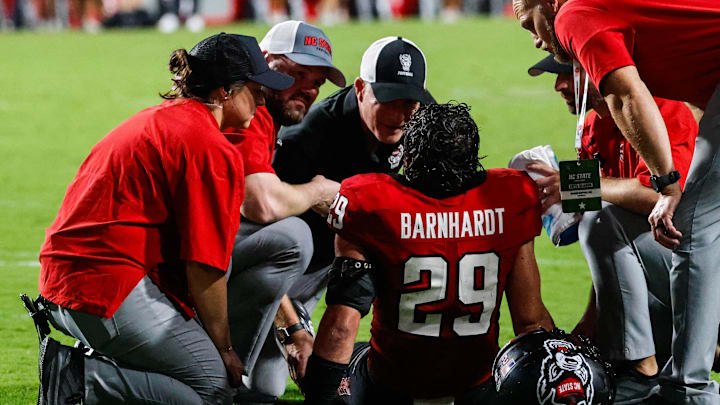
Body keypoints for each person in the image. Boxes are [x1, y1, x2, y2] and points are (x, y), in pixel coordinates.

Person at [34, 33, 293, 405]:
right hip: (103, 290)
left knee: (187, 378)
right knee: (215, 388)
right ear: (224, 91)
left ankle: (96, 369)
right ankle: (81, 382)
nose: (264, 98)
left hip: (69, 283)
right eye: (256, 88)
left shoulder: (161, 119)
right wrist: (223, 346)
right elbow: (204, 266)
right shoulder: (208, 144)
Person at [512, 1, 720, 403]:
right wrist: (583, 340)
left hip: (699, 271)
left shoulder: (650, 102)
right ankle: (643, 366)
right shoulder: (592, 125)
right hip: (677, 272)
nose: (557, 86)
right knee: (604, 224)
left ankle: (685, 389)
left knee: (689, 223)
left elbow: (663, 198)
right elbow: (611, 258)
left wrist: (579, 183)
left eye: (563, 74)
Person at [300, 102, 555, 405]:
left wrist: (319, 395)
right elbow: (529, 321)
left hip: (390, 389)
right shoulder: (512, 196)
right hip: (475, 389)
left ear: (407, 155)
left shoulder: (368, 201)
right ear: (473, 158)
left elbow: (343, 325)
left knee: (356, 353)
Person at [223, 20, 346, 403]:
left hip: (202, 257)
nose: (309, 90)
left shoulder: (265, 117)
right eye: (298, 74)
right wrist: (319, 190)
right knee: (294, 236)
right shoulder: (251, 112)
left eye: (317, 82)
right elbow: (262, 205)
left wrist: (292, 330)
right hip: (169, 266)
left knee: (267, 388)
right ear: (266, 62)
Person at [273, 35, 434, 280]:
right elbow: (267, 220)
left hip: (363, 241)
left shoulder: (425, 117)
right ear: (360, 89)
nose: (400, 115)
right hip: (299, 260)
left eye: (409, 102)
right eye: (388, 99)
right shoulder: (307, 136)